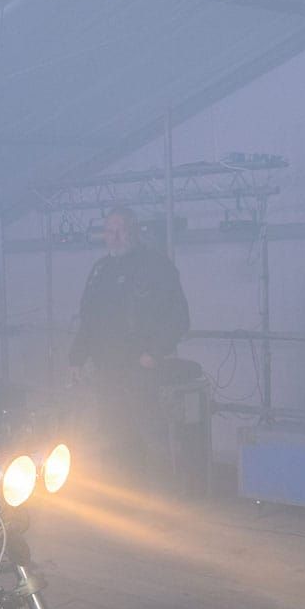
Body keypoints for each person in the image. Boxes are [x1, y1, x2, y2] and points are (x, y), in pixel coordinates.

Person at [68, 207, 190, 483]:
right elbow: (88, 320)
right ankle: (124, 500)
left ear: (134, 231)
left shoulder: (156, 267)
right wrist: (76, 358)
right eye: (109, 231)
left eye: (121, 230)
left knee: (152, 440)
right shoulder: (100, 271)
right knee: (113, 439)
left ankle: (161, 503)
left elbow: (179, 318)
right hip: (106, 373)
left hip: (140, 373)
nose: (115, 236)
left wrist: (154, 353)